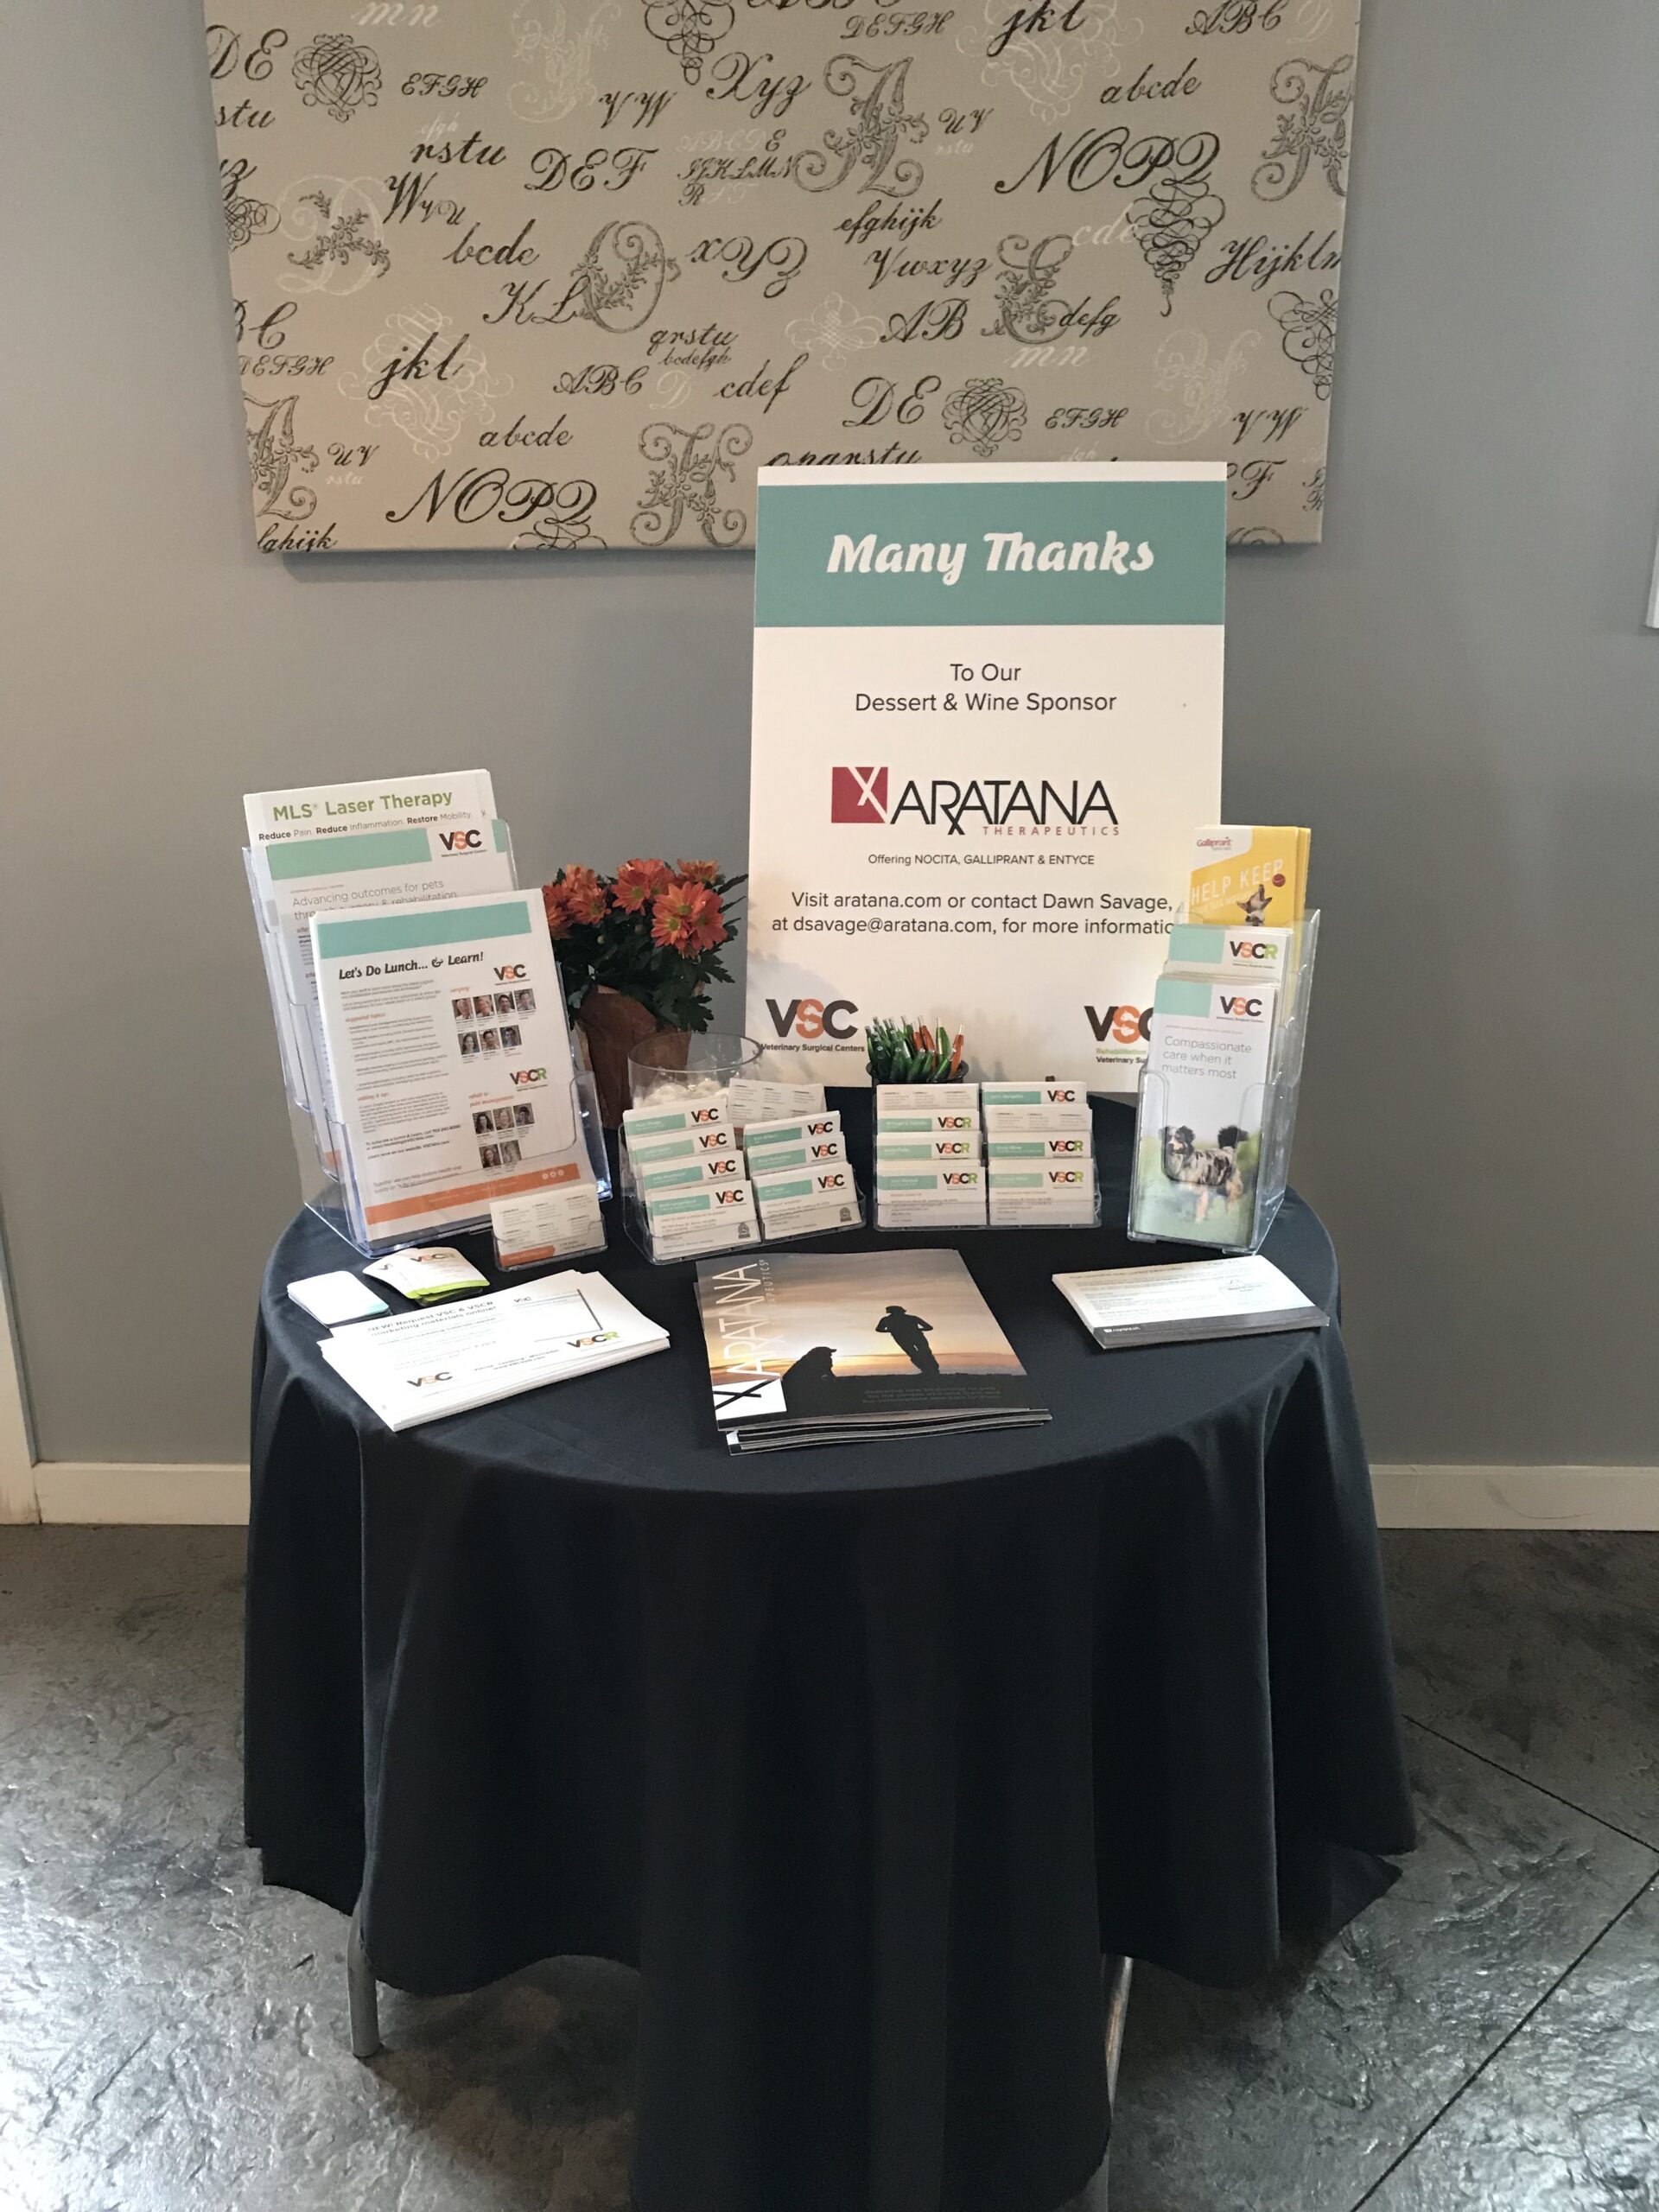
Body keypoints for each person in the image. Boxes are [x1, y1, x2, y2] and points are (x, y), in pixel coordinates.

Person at [874, 1303, 938, 1376]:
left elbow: (879, 1329)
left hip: (905, 1338)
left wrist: (893, 1330)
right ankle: (930, 1370)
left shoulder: (886, 1320)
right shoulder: (912, 1318)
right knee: (922, 1353)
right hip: (913, 1337)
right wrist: (917, 1330)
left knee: (919, 1354)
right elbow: (928, 1327)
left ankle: (930, 1370)